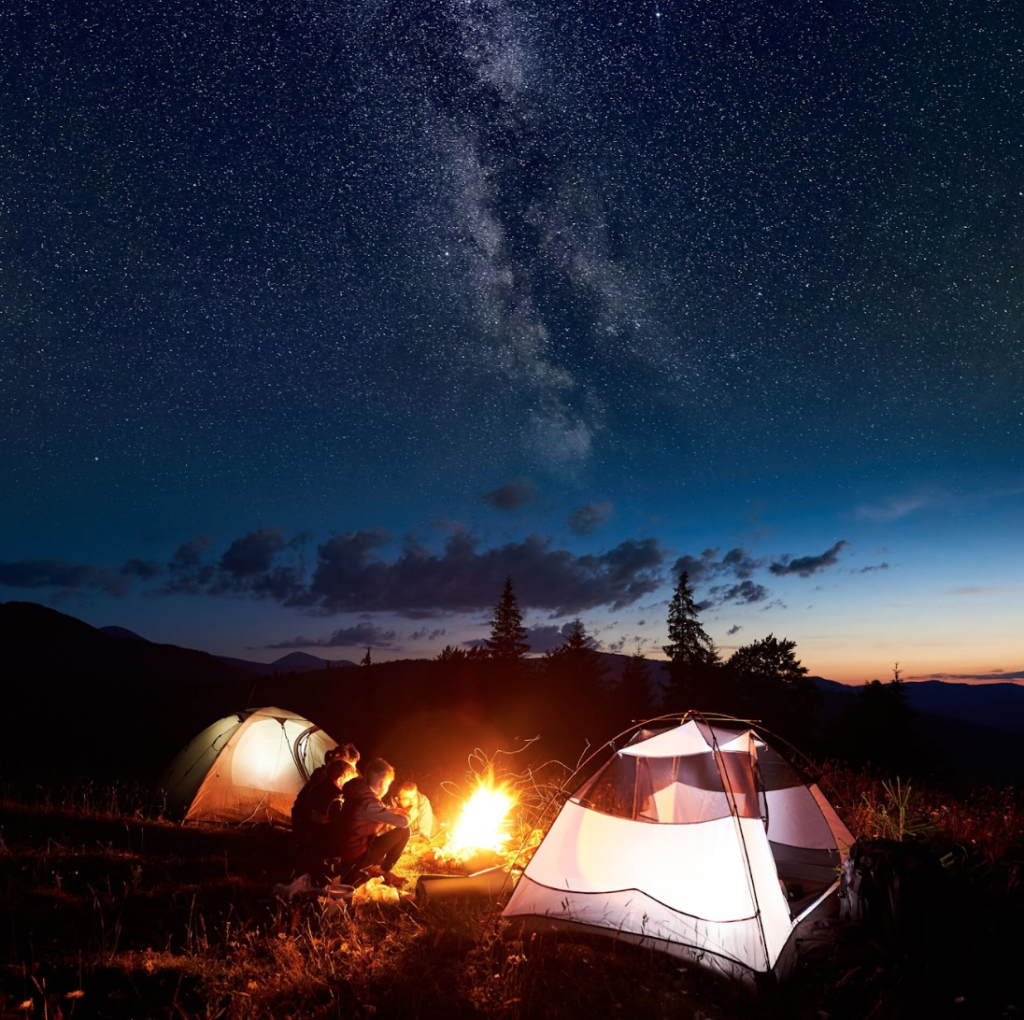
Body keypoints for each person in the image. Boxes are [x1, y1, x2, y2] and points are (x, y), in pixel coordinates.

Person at [336, 758, 411, 887]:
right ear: (382, 783)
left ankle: (376, 867)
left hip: (347, 849)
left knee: (385, 831)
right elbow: (404, 822)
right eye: (388, 784)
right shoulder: (369, 805)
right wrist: (401, 811)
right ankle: (383, 871)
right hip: (355, 856)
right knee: (404, 832)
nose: (387, 788)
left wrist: (388, 811)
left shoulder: (359, 791)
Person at [292, 744, 360, 875]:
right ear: (337, 760)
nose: (353, 771)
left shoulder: (330, 778)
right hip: (312, 835)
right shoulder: (322, 780)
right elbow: (303, 811)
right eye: (349, 767)